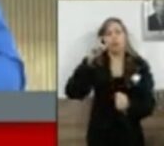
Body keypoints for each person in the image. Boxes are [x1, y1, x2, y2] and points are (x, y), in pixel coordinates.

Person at [65, 17, 156, 146]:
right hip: (100, 136)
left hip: (130, 136)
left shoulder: (139, 66)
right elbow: (73, 92)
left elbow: (148, 103)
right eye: (108, 33)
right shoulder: (95, 64)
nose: (114, 37)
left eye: (118, 32)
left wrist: (129, 104)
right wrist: (88, 61)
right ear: (103, 40)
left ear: (125, 36)